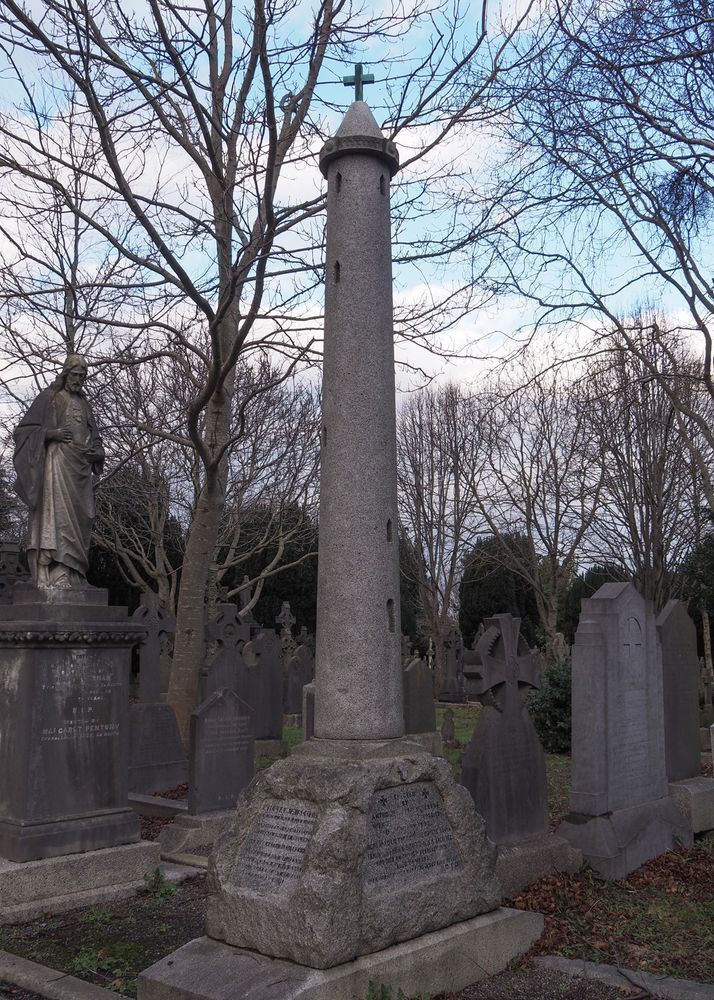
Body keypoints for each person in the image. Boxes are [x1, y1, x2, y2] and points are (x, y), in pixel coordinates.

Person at [13, 354, 104, 589]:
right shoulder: (50, 397)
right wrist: (49, 434)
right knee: (59, 516)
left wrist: (99, 452)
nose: (79, 380)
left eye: (83, 376)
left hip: (80, 470)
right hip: (57, 465)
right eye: (75, 375)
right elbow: (23, 432)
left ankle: (76, 574)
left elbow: (95, 437)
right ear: (66, 373)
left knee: (82, 518)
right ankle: (59, 573)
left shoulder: (84, 403)